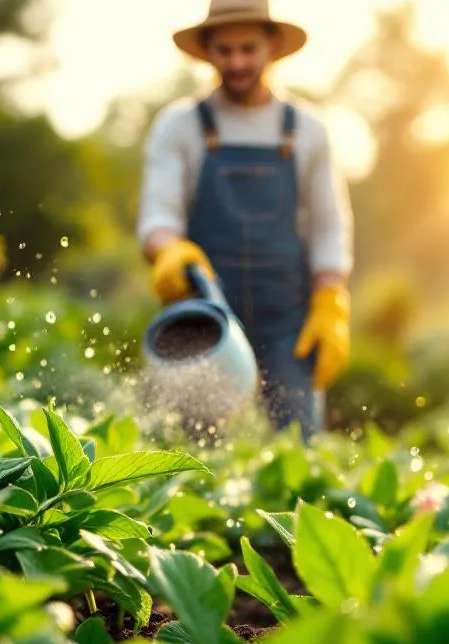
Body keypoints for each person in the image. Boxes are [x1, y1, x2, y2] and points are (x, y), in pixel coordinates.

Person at [136, 0, 354, 439]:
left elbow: (329, 225)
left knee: (299, 445)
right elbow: (158, 216)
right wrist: (169, 249)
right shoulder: (180, 126)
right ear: (207, 50)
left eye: (248, 49)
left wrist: (331, 297)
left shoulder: (307, 129)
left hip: (288, 318)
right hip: (205, 311)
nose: (236, 62)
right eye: (225, 50)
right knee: (196, 449)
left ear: (272, 46)